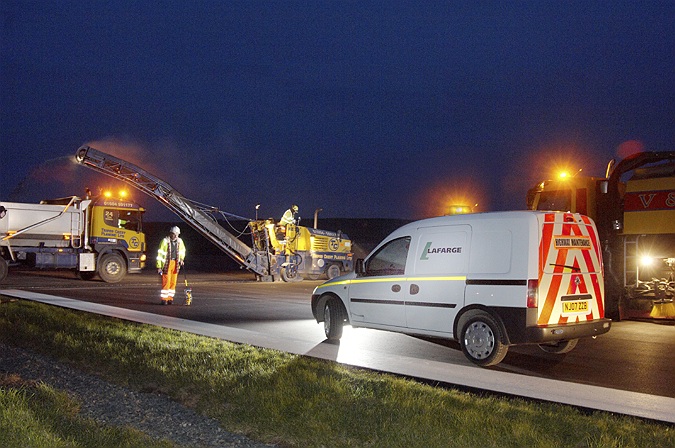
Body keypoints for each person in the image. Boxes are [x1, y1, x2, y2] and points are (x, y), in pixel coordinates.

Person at [156, 226, 186, 305]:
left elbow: (182, 251)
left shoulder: (180, 241)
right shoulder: (165, 241)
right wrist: (159, 266)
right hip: (167, 264)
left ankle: (170, 298)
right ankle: (164, 299)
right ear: (170, 233)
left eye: (177, 234)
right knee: (166, 281)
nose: (175, 236)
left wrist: (181, 259)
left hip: (175, 263)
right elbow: (160, 254)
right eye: (174, 234)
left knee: (173, 282)